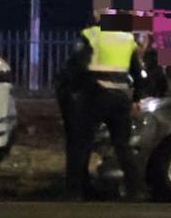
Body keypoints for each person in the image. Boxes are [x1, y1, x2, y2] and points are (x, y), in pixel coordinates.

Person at [59, 11, 145, 200]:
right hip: (121, 98)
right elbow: (137, 73)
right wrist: (137, 98)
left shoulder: (91, 35)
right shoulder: (127, 39)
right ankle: (136, 189)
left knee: (81, 144)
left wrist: (75, 90)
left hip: (94, 94)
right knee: (122, 145)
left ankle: (75, 191)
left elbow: (77, 65)